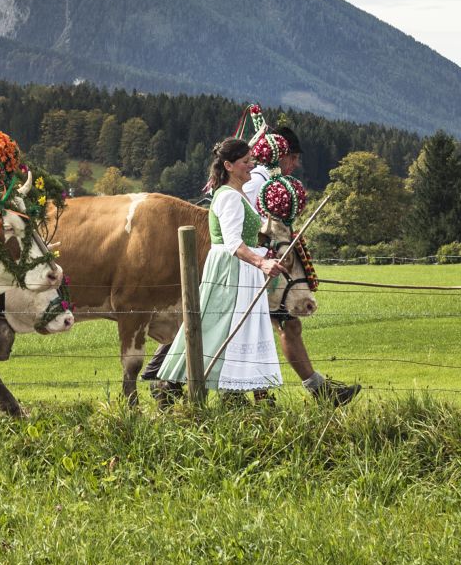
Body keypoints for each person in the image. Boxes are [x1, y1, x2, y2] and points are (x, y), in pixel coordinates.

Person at [154, 138, 286, 400]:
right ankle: (171, 382)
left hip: (242, 267)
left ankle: (236, 392)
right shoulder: (228, 197)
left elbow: (245, 236)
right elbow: (233, 242)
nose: (251, 166)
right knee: (217, 325)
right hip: (231, 269)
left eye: (252, 160)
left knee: (238, 328)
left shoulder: (237, 194)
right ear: (228, 165)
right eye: (246, 162)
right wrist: (261, 262)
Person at [246, 126, 360, 406]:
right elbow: (244, 230)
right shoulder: (254, 183)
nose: (296, 164)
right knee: (253, 329)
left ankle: (317, 390)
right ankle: (257, 395)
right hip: (253, 270)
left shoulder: (270, 183)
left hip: (270, 270)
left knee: (288, 326)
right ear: (280, 155)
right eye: (293, 157)